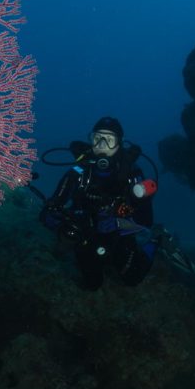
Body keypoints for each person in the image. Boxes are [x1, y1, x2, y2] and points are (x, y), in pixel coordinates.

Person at [39, 117, 160, 290]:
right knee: (92, 284)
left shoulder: (132, 174)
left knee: (132, 277)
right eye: (97, 139)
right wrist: (63, 227)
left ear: (120, 144)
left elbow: (146, 221)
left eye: (109, 140)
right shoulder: (78, 173)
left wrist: (117, 224)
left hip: (121, 235)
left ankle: (157, 241)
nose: (102, 145)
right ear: (91, 140)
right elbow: (47, 212)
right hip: (87, 236)